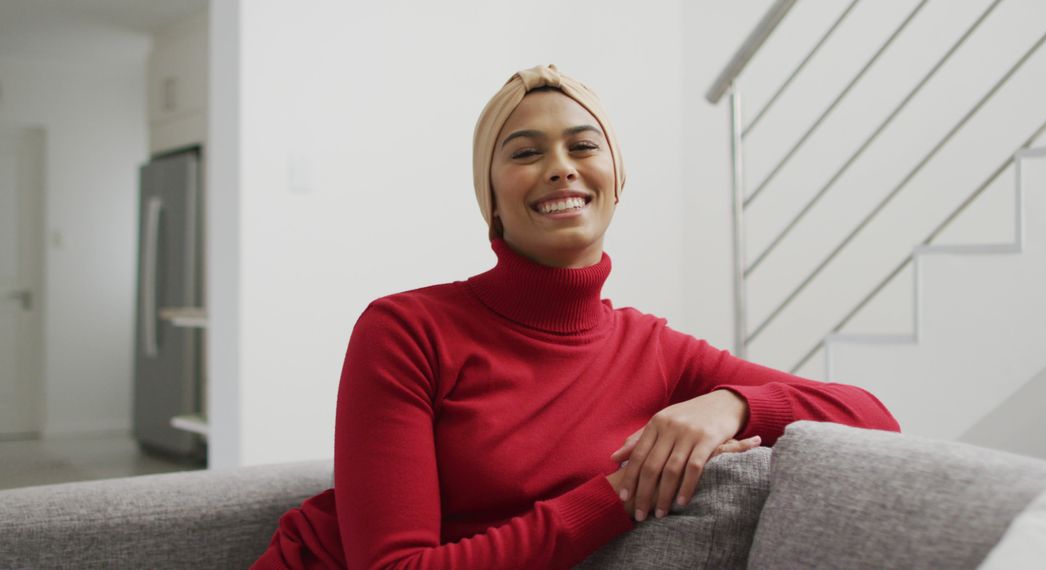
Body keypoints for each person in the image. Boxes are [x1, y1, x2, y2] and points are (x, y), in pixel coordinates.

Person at [252, 64, 900, 569]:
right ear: (493, 203)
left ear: (616, 179)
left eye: (582, 145)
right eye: (525, 152)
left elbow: (871, 417)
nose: (560, 167)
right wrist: (621, 494)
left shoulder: (656, 351)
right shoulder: (406, 330)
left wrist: (730, 404)